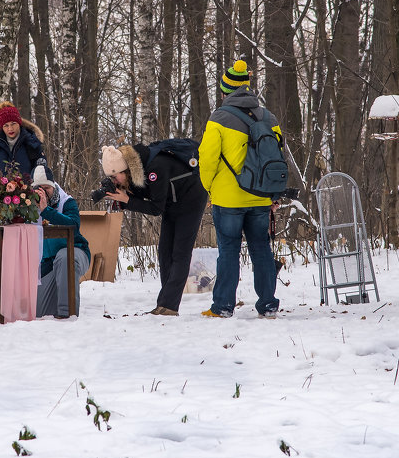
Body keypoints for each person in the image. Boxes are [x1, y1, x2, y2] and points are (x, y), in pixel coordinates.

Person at [198, 60, 282, 318]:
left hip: (228, 199)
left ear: (226, 91)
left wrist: (210, 188)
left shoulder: (218, 119)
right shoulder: (269, 117)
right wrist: (273, 195)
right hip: (259, 197)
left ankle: (223, 306)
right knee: (261, 249)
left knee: (229, 252)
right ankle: (268, 305)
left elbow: (207, 158)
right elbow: (276, 158)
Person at [95, 139, 208, 315]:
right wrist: (124, 197)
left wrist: (126, 200)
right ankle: (164, 303)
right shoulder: (133, 173)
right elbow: (147, 196)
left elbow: (156, 208)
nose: (114, 181)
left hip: (191, 199)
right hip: (172, 202)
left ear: (124, 170)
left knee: (180, 253)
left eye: (114, 177)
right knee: (164, 252)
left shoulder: (155, 168)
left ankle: (169, 306)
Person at [0, 101, 50, 315]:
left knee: (25, 256)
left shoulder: (31, 142)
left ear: (19, 122)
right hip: (0, 205)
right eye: (6, 125)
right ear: (1, 127)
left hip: (26, 204)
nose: (10, 129)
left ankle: (23, 302)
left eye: (13, 124)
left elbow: (42, 170)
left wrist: (44, 192)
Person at [31, 166, 90, 319]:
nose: (43, 191)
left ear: (54, 185)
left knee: (64, 258)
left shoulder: (67, 202)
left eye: (47, 187)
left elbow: (74, 225)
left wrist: (46, 211)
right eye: (39, 188)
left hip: (75, 252)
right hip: (48, 262)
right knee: (38, 313)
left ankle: (67, 314)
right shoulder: (28, 206)